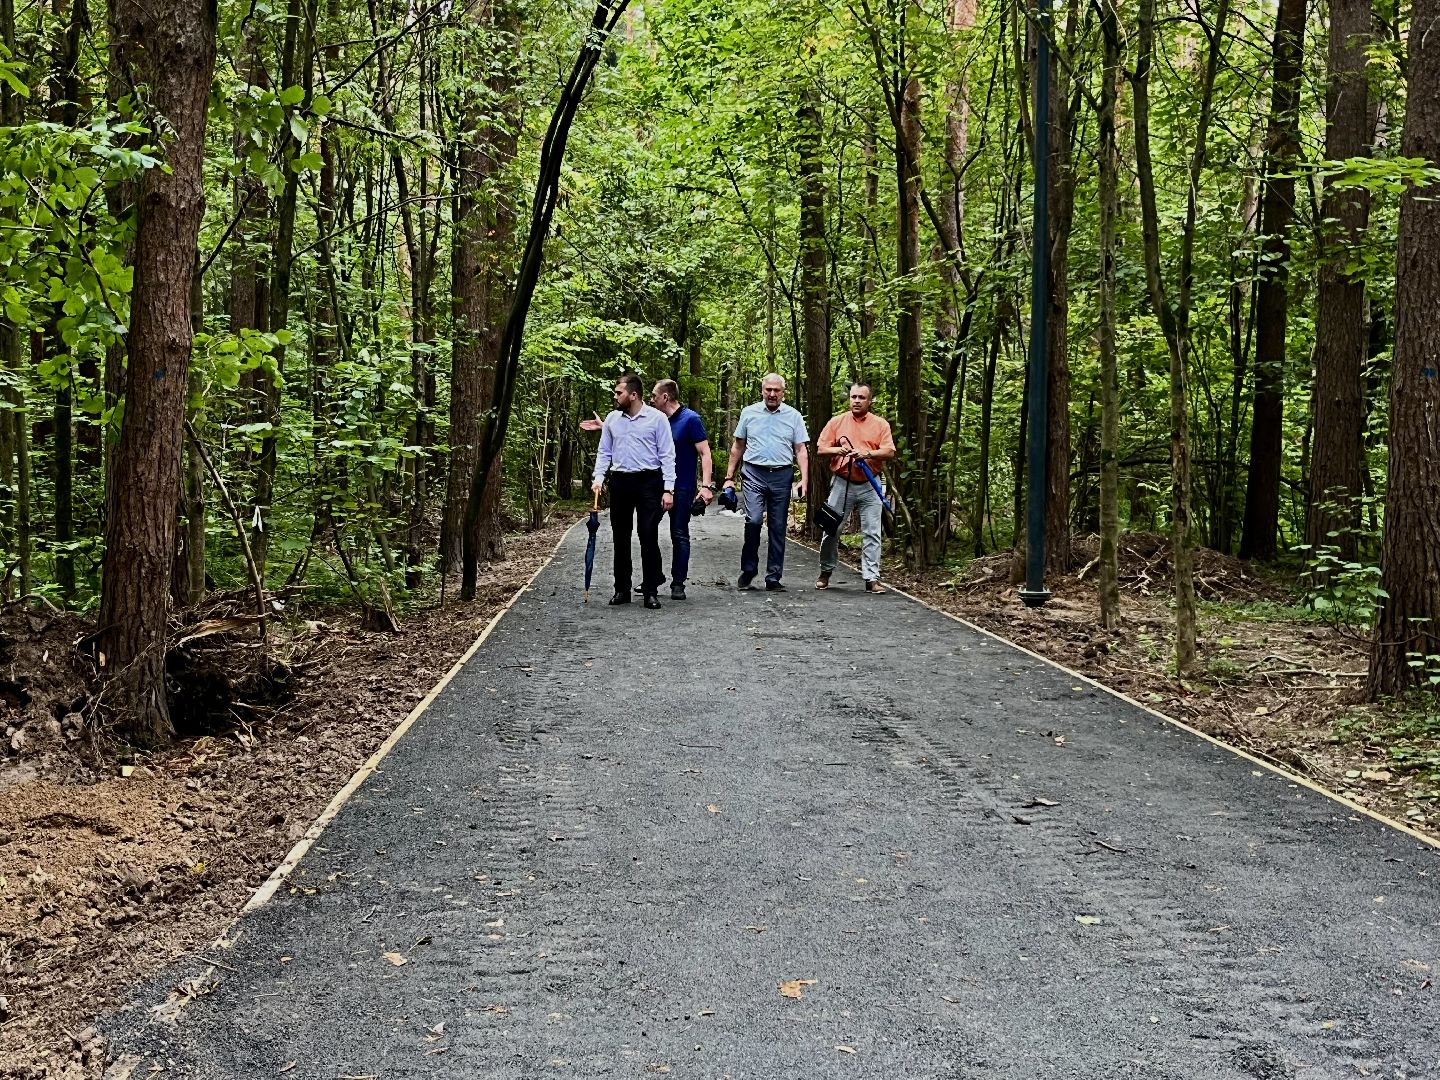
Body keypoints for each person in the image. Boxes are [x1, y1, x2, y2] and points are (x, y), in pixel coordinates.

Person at [592, 374, 676, 610]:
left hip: (649, 481)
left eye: (619, 393)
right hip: (620, 481)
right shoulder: (612, 419)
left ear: (633, 395)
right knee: (620, 535)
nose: (615, 396)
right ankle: (622, 589)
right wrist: (598, 478)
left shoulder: (657, 419)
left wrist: (668, 489)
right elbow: (604, 452)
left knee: (647, 533)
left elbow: (667, 455)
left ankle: (650, 590)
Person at [723, 373, 809, 591]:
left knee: (778, 526)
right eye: (768, 390)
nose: (772, 394)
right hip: (754, 473)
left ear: (783, 393)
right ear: (762, 391)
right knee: (753, 520)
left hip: (782, 474)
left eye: (776, 390)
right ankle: (749, 569)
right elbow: (738, 445)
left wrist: (804, 479)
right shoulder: (749, 412)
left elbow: (800, 449)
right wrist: (729, 478)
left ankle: (773, 577)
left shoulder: (794, 416)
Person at [815, 381, 896, 593]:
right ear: (849, 399)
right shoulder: (837, 422)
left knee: (872, 532)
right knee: (832, 529)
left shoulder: (880, 424)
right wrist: (838, 450)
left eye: (862, 397)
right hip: (842, 483)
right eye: (854, 397)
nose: (857, 401)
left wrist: (868, 454)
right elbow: (821, 449)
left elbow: (889, 452)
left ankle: (871, 578)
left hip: (870, 483)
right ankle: (826, 571)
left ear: (870, 401)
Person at [647, 380, 714, 600]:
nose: (651, 399)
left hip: (683, 486)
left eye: (654, 395)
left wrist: (706, 487)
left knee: (679, 533)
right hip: (656, 486)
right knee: (647, 529)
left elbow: (705, 453)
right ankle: (653, 575)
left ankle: (678, 583)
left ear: (665, 397)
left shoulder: (690, 419)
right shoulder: (655, 419)